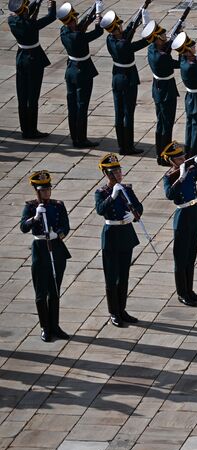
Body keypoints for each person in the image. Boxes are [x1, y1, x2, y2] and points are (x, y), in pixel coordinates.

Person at [20, 170, 71, 342]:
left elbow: (65, 226)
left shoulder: (58, 205)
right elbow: (23, 227)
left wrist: (58, 234)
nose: (47, 192)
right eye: (43, 190)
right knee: (41, 290)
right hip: (40, 248)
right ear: (36, 190)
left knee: (55, 290)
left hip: (56, 248)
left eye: (48, 189)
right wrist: (35, 218)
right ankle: (45, 327)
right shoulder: (31, 206)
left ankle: (55, 325)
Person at [161, 141, 197, 306]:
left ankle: (190, 290)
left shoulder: (189, 169)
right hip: (183, 216)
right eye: (179, 157)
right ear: (171, 161)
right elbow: (169, 194)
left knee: (191, 257)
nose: (183, 158)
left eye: (183, 156)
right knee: (181, 258)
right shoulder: (170, 177)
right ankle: (182, 293)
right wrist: (181, 178)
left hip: (195, 212)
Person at [95, 153, 142, 326]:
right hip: (112, 234)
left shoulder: (126, 189)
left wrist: (135, 215)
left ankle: (122, 309)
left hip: (126, 232)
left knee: (124, 276)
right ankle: (113, 312)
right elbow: (100, 210)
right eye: (114, 172)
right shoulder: (101, 192)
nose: (119, 174)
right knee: (111, 276)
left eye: (119, 170)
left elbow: (138, 206)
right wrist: (112, 197)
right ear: (107, 174)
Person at [100, 8, 148, 154]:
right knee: (128, 113)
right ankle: (128, 146)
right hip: (128, 80)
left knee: (119, 113)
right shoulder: (123, 44)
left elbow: (126, 35)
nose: (122, 26)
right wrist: (150, 35)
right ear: (116, 27)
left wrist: (135, 20)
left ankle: (122, 145)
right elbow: (137, 43)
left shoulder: (110, 39)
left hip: (117, 78)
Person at [8, 0, 57, 139]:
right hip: (33, 61)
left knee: (22, 96)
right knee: (33, 97)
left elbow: (25, 13)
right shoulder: (31, 25)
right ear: (23, 10)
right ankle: (32, 130)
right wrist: (51, 3)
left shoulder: (11, 20)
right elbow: (51, 17)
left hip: (21, 59)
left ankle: (25, 129)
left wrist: (36, 3)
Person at [58, 1, 103, 148]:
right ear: (72, 19)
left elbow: (79, 27)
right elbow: (99, 32)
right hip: (82, 73)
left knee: (72, 107)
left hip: (70, 71)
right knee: (82, 106)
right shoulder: (77, 36)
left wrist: (89, 17)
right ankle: (81, 139)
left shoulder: (63, 31)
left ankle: (74, 136)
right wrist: (98, 17)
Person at [142, 20, 179, 166]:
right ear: (157, 39)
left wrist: (172, 40)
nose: (165, 35)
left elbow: (165, 49)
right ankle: (165, 156)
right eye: (163, 35)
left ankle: (160, 153)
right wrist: (181, 48)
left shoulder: (152, 49)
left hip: (158, 89)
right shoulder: (162, 56)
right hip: (166, 92)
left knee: (161, 124)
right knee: (166, 125)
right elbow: (177, 64)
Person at [172, 32, 197, 157]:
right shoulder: (192, 67)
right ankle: (193, 155)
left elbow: (193, 59)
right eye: (192, 47)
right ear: (187, 50)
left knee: (190, 126)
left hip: (190, 98)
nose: (195, 48)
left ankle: (188, 151)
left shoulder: (183, 60)